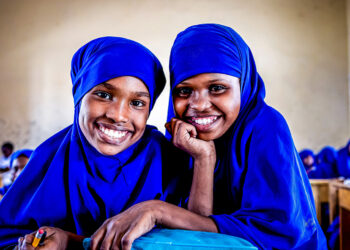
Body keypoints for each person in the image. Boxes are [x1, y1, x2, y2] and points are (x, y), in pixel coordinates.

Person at [0, 36, 181, 249]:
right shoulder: (46, 160)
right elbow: (7, 236)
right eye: (103, 95)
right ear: (79, 96)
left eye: (137, 103)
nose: (118, 116)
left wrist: (70, 242)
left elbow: (196, 238)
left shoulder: (166, 160)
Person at [165, 24, 327, 249]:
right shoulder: (181, 140)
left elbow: (277, 233)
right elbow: (196, 239)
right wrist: (204, 159)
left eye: (217, 88)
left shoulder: (265, 126)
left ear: (243, 84)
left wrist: (159, 212)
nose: (199, 105)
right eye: (184, 90)